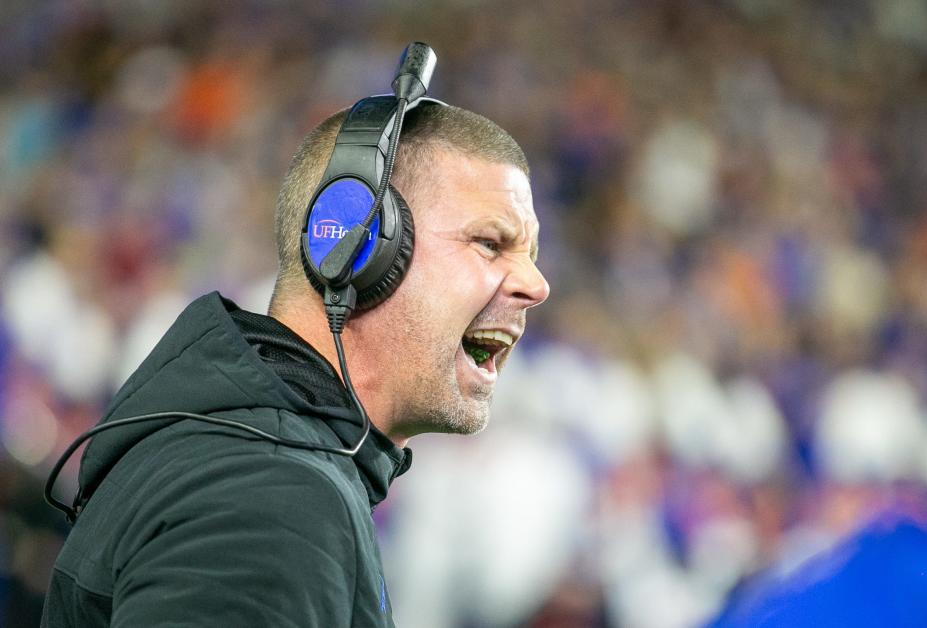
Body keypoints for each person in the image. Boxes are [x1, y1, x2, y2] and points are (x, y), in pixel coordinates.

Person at [40, 70, 549, 625]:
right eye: (490, 242)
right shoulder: (270, 499)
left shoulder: (253, 457)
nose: (536, 284)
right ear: (357, 246)